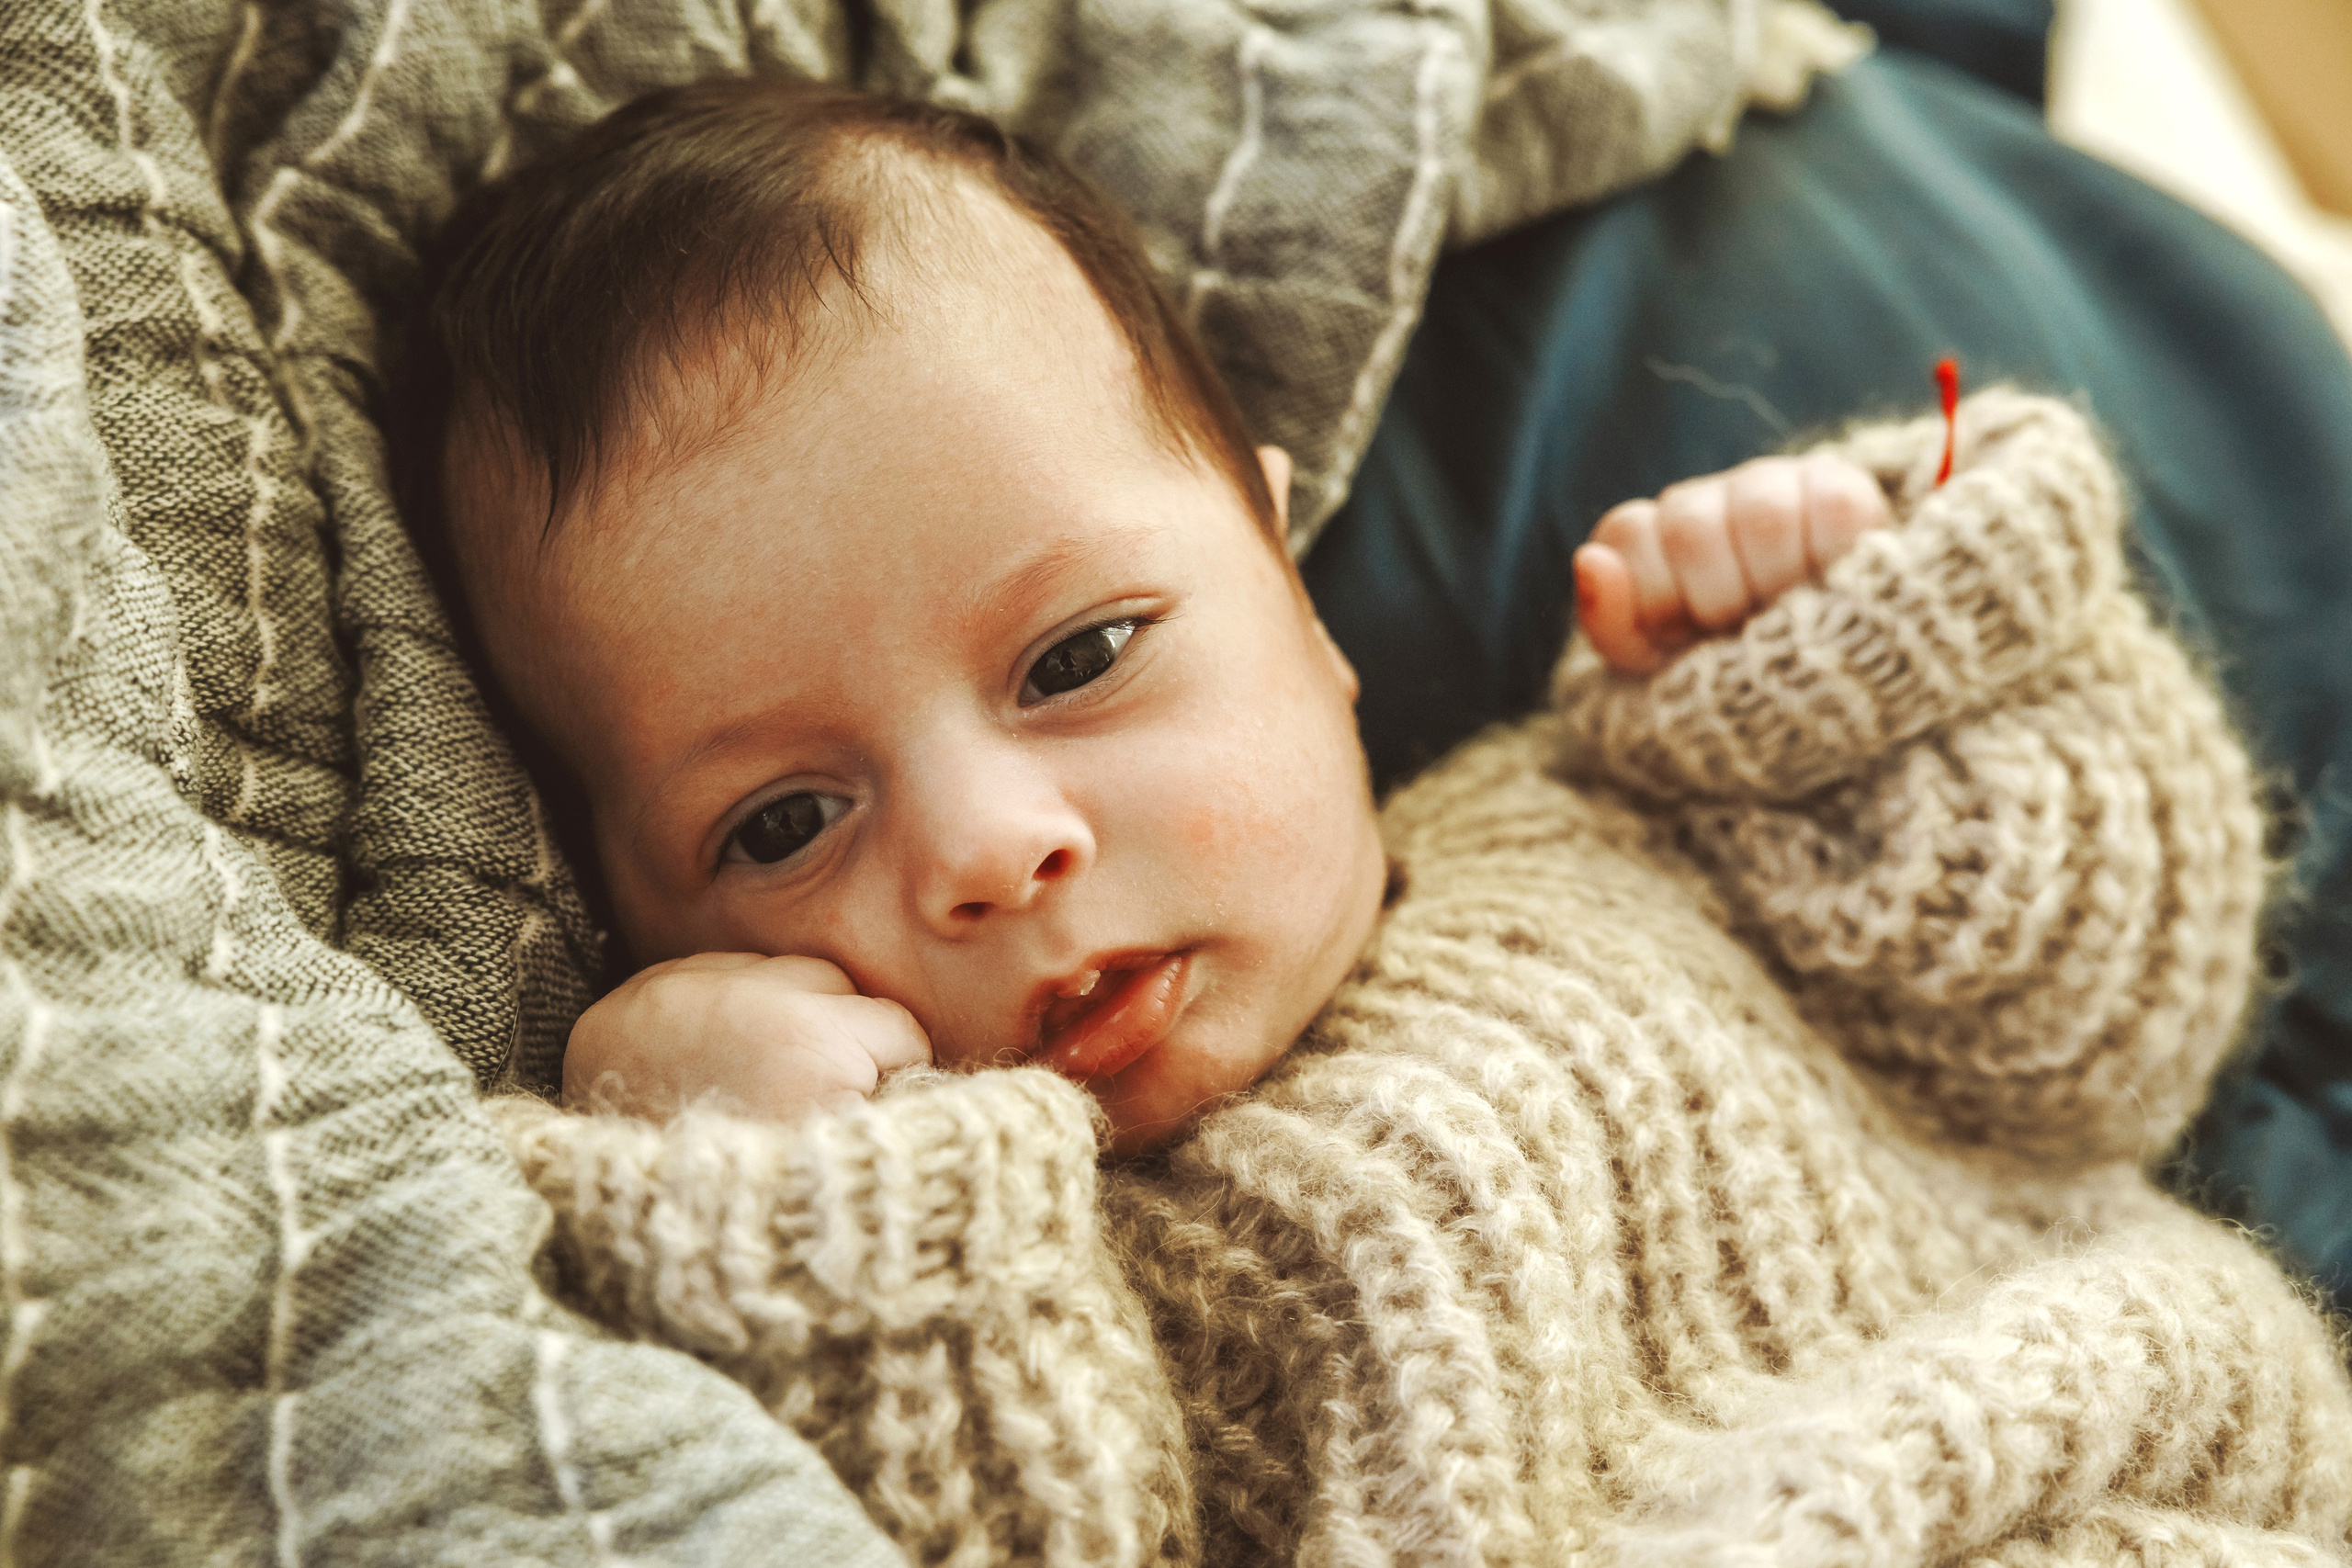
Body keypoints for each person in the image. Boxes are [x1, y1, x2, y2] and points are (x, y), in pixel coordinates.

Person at [409, 75, 2352, 1568]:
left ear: (1296, 588)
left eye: (1078, 655)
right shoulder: (1032, 1260)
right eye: (779, 824)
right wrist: (776, 1180)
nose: (990, 847)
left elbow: (2087, 1021)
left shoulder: (1645, 810)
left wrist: (1858, 654)